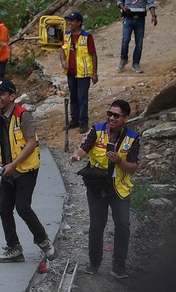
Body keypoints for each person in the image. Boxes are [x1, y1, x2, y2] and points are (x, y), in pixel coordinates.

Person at [69, 100, 139, 279]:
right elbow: (85, 147)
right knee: (96, 225)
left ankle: (118, 266)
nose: (111, 118)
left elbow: (132, 167)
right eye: (110, 114)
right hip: (97, 187)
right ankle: (94, 264)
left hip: (119, 189)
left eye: (116, 115)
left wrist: (119, 161)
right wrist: (77, 156)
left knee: (123, 225)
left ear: (125, 118)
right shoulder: (97, 130)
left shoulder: (132, 138)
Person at [0, 79, 56, 263]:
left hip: (25, 170)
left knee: (23, 207)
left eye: (2, 94)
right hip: (8, 170)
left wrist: (13, 165)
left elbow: (31, 143)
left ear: (12, 96)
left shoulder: (23, 116)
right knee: (4, 208)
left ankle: (43, 242)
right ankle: (14, 248)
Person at [60, 11, 97, 134]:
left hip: (83, 73)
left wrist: (94, 73)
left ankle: (83, 122)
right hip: (70, 72)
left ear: (79, 22)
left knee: (82, 98)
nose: (69, 23)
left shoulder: (87, 37)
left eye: (72, 21)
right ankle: (74, 120)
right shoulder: (66, 36)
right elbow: (62, 50)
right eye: (68, 21)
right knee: (73, 96)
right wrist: (63, 60)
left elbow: (93, 55)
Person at [116, 0, 157, 73]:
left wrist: (153, 15)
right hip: (128, 19)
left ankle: (136, 63)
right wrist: (124, 8)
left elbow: (151, 4)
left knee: (139, 43)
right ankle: (123, 58)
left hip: (140, 20)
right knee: (125, 40)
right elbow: (119, 1)